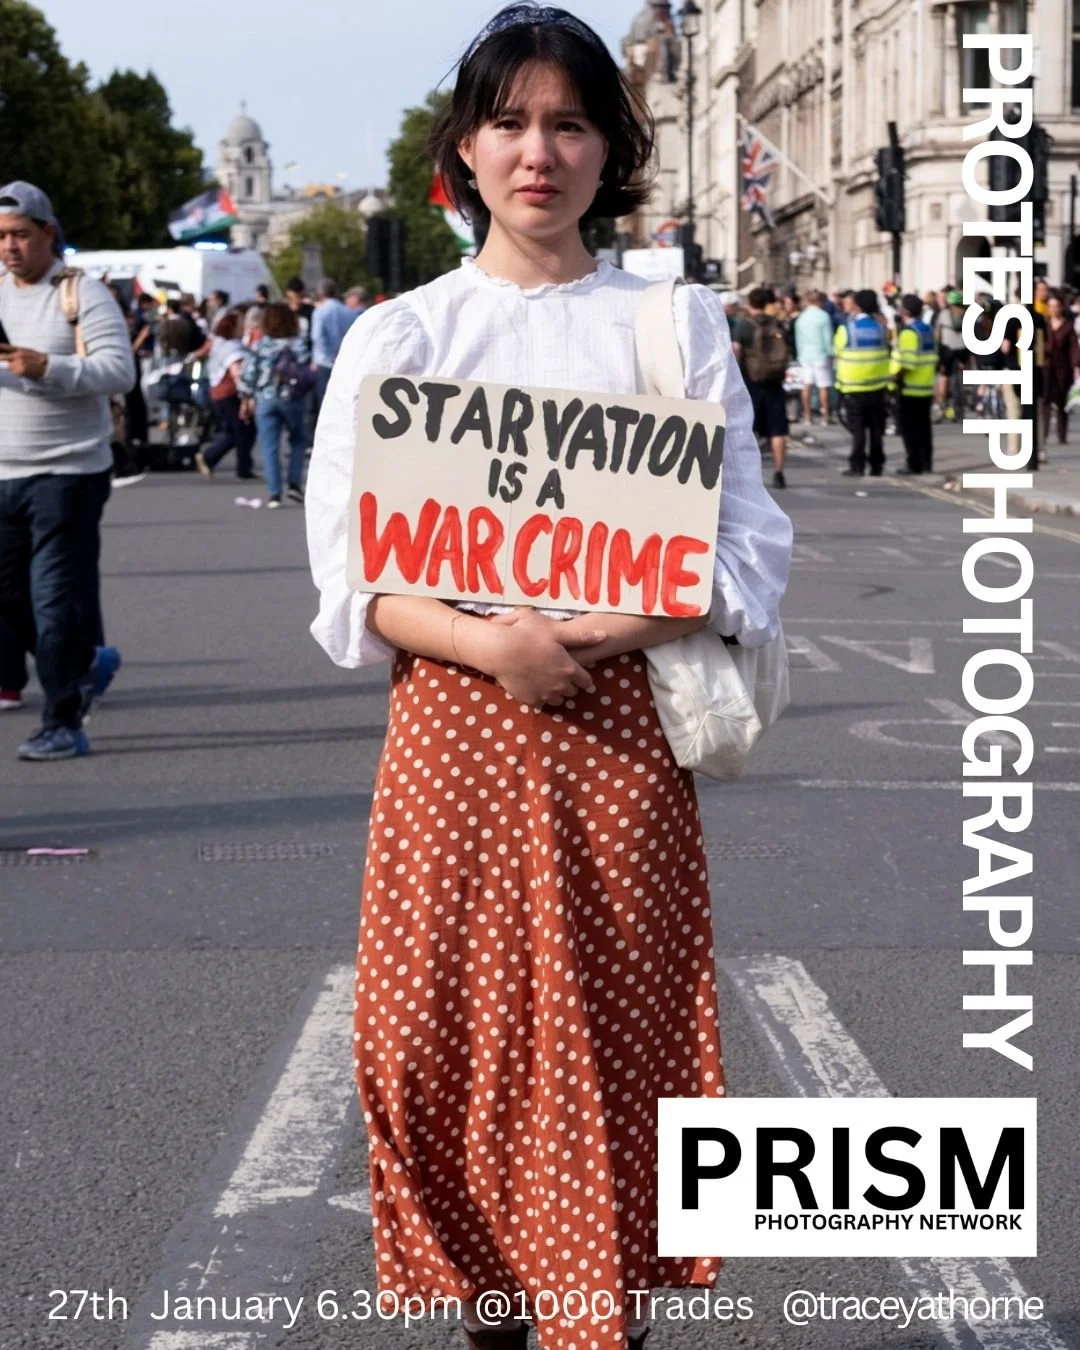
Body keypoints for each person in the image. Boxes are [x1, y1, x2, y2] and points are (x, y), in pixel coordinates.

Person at [304, 8, 792, 1350]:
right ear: (462, 149)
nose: (539, 152)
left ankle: (599, 1312)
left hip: (617, 729)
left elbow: (746, 540)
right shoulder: (397, 339)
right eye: (511, 122)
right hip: (454, 725)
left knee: (608, 1039)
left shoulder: (669, 323)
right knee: (431, 1046)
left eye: (569, 122)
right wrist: (490, 641)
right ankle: (493, 1311)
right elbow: (353, 578)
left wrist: (608, 629)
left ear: (608, 147)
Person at [0, 181, 132, 758]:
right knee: (10, 605)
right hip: (3, 472)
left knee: (52, 603)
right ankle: (84, 661)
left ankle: (62, 723)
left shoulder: (82, 294)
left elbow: (117, 371)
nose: (9, 248)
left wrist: (47, 367)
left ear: (48, 234)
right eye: (1, 237)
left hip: (68, 472)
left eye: (20, 235)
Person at [238, 301, 310, 507]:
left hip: (265, 399)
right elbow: (306, 369)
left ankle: (274, 493)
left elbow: (248, 374)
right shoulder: (298, 344)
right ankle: (294, 483)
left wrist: (245, 399)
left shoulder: (260, 345)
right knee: (297, 440)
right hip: (293, 398)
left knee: (269, 447)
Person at [730, 285, 789, 487]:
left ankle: (751, 477)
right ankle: (779, 472)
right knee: (777, 430)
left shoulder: (743, 326)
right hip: (774, 382)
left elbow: (736, 351)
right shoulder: (778, 324)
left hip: (751, 384)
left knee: (748, 431)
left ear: (750, 303)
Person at [834, 287, 890, 476]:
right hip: (878, 385)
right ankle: (877, 465)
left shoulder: (847, 329)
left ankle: (857, 465)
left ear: (857, 305)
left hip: (853, 386)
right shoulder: (882, 328)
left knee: (858, 429)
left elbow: (838, 352)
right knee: (876, 428)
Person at [194, 311, 256, 479]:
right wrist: (246, 397)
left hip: (216, 391)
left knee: (232, 430)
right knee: (244, 430)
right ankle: (240, 467)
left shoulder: (218, 343)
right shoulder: (233, 347)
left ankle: (211, 458)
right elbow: (237, 374)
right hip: (229, 392)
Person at [889, 293, 937, 475]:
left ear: (905, 311)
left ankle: (913, 464)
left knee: (910, 430)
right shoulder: (927, 329)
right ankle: (926, 463)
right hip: (926, 385)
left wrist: (894, 379)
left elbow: (907, 363)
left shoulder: (909, 333)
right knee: (925, 428)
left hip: (910, 387)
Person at [310, 277, 359, 421]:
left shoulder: (320, 311)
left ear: (320, 293)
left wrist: (327, 354)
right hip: (343, 360)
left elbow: (317, 337)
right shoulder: (348, 312)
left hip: (324, 362)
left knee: (323, 403)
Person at [1042, 290, 1080, 450]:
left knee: (1062, 401)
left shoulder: (1068, 326)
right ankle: (1042, 434)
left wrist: (1076, 365)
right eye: (1051, 306)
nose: (1054, 309)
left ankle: (1062, 435)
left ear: (1061, 307)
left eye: (1056, 306)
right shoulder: (1044, 324)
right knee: (1045, 401)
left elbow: (1073, 347)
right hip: (1046, 367)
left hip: (1063, 368)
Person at [793, 289, 834, 425]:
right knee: (823, 386)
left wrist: (800, 354)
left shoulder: (801, 317)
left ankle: (807, 416)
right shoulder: (823, 316)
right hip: (820, 353)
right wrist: (831, 353)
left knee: (806, 385)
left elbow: (798, 338)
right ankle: (825, 416)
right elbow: (827, 338)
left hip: (805, 354)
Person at [933, 289, 968, 417]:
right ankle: (962, 401)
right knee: (962, 370)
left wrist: (937, 347)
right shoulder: (966, 313)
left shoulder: (943, 314)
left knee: (944, 375)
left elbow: (937, 333)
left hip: (947, 349)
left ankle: (941, 405)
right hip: (963, 349)